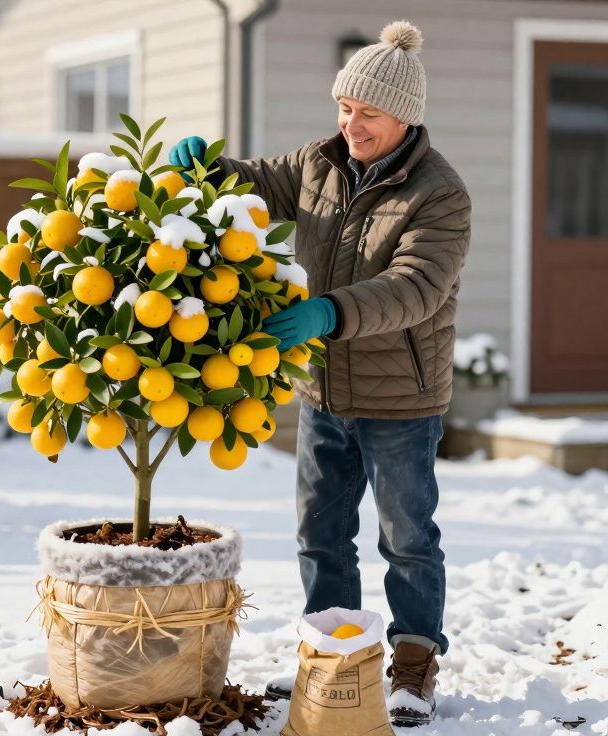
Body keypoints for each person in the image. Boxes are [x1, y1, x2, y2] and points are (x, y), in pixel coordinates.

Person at [169, 19, 470, 728]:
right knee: (321, 533)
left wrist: (326, 313)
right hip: (323, 392)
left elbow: (416, 287)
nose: (351, 124)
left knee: (407, 538)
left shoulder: (440, 195)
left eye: (367, 113)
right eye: (345, 108)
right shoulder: (318, 163)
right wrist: (209, 168)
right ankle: (332, 656)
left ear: (405, 116)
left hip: (402, 399)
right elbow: (256, 185)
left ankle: (414, 662)